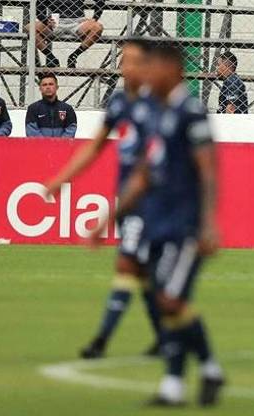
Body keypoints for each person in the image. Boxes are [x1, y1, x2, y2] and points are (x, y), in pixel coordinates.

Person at [90, 39, 226, 407]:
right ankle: (207, 370)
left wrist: (209, 222)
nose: (148, 75)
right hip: (158, 221)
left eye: (155, 69)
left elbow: (208, 169)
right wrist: (111, 217)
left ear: (175, 71)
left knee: (169, 299)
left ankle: (175, 383)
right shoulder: (158, 113)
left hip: (185, 226)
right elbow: (146, 173)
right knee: (168, 301)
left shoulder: (191, 112)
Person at [43, 39, 163, 360]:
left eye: (134, 61)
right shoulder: (120, 102)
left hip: (148, 202)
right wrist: (61, 180)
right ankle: (167, 338)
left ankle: (101, 341)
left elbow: (152, 165)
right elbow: (96, 147)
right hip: (127, 200)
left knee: (127, 264)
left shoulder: (158, 106)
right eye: (123, 60)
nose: (126, 67)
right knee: (143, 271)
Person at [32, 0, 106, 69]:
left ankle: (74, 55)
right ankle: (51, 57)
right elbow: (39, 9)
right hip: (56, 24)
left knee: (98, 27)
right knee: (30, 28)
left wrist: (95, 18)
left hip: (77, 23)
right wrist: (46, 20)